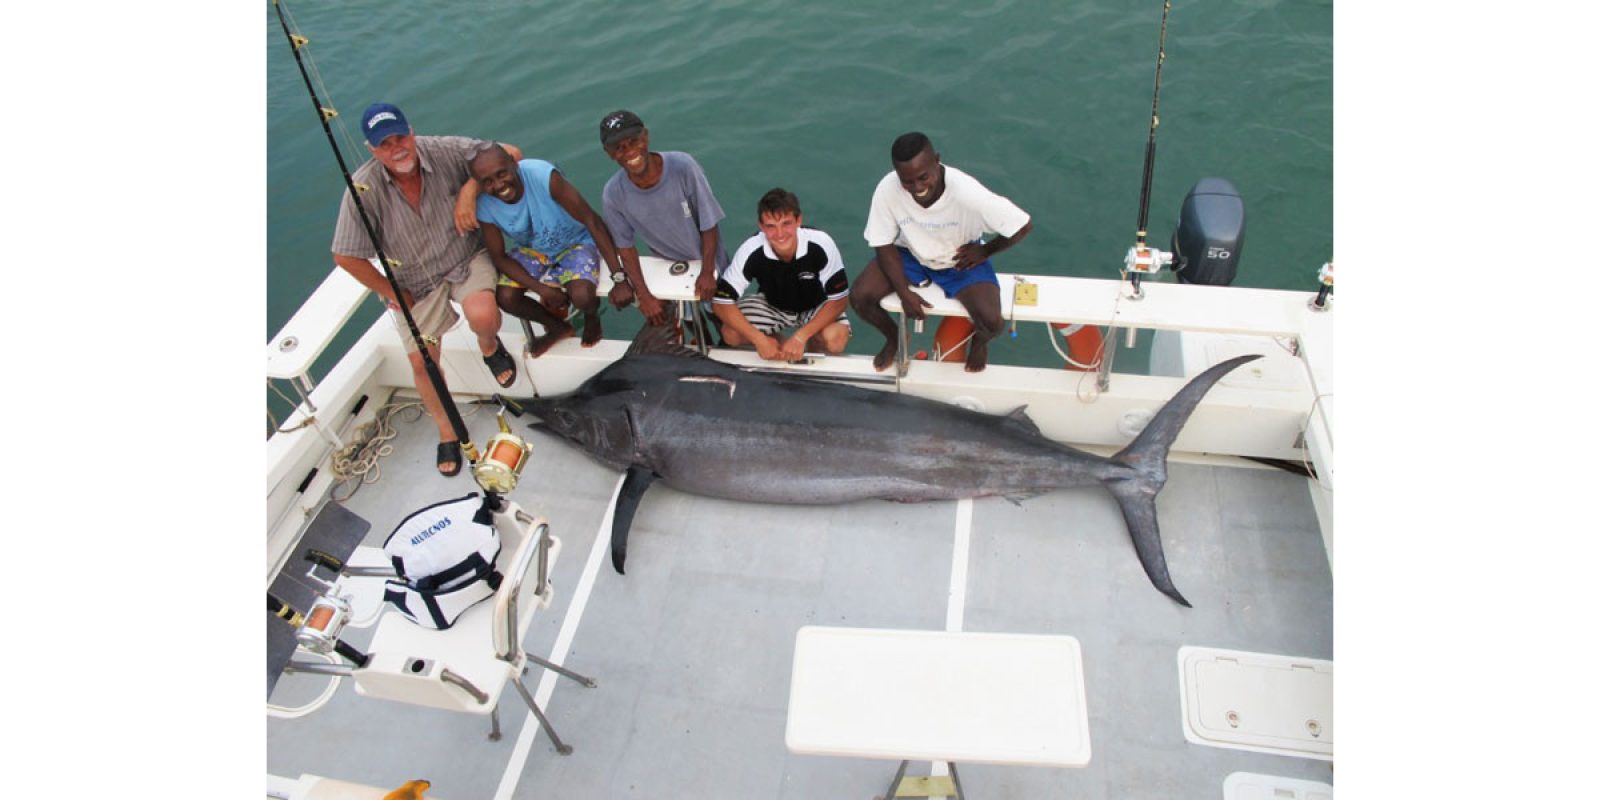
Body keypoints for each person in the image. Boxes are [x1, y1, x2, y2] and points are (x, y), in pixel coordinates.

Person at [330, 102, 523, 476]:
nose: (396, 147)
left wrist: (470, 188)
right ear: (372, 150)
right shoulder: (363, 188)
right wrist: (390, 289)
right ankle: (447, 431)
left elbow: (511, 153)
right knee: (421, 362)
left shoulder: (445, 149)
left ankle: (489, 346)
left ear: (412, 131)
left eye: (400, 136)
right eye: (384, 144)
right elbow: (345, 256)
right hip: (413, 282)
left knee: (483, 314)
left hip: (464, 258)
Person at [851, 131, 1033, 373]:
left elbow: (1022, 225)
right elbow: (882, 243)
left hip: (959, 259)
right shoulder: (887, 189)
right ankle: (894, 338)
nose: (917, 187)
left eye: (923, 177)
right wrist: (904, 293)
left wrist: (985, 251)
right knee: (860, 297)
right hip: (911, 254)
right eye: (907, 181)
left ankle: (979, 343)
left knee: (992, 323)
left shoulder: (968, 192)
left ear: (937, 160)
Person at [468, 143, 625, 353]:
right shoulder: (484, 205)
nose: (498, 185)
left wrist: (619, 277)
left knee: (582, 296)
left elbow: (591, 219)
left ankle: (591, 317)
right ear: (478, 184)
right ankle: (557, 327)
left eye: (502, 173)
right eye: (487, 182)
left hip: (576, 241)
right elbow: (499, 257)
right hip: (533, 249)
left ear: (514, 164)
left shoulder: (542, 175)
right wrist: (541, 289)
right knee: (505, 297)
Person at [596, 109, 729, 329]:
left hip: (710, 263)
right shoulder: (613, 193)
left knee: (725, 325)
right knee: (689, 327)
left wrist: (707, 272)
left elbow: (709, 223)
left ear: (646, 137)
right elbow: (626, 249)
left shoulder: (684, 166)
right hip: (670, 268)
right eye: (619, 147)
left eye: (633, 141)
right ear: (608, 153)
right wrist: (644, 295)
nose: (629, 151)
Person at [714, 188, 850, 362]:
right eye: (771, 226)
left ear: (798, 220)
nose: (779, 234)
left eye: (786, 223)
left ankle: (811, 355)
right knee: (730, 333)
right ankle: (779, 349)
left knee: (835, 338)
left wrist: (801, 337)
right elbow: (721, 302)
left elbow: (840, 300)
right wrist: (759, 339)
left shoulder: (821, 244)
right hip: (772, 304)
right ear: (761, 226)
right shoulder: (751, 249)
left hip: (815, 305)